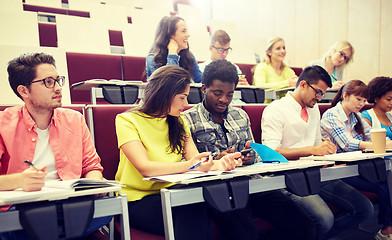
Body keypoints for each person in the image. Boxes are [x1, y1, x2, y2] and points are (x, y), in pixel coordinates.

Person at [184, 59, 316, 240]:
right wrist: (217, 161)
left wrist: (250, 157)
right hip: (219, 191)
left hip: (253, 184)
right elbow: (187, 164)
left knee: (305, 227)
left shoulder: (240, 114)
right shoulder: (187, 119)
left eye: (229, 94)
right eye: (217, 93)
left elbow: (256, 153)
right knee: (247, 234)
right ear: (204, 89)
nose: (224, 100)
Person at [115, 65, 245, 240]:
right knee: (192, 209)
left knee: (227, 205)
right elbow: (145, 168)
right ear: (164, 94)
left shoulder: (179, 120)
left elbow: (197, 161)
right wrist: (190, 166)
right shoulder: (126, 120)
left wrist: (221, 163)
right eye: (182, 97)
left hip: (176, 192)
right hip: (139, 199)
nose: (186, 104)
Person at [0, 52, 112, 239]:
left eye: (58, 80)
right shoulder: (3, 124)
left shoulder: (75, 119)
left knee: (105, 211)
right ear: (24, 91)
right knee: (26, 223)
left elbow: (92, 166)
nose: (59, 88)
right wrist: (19, 180)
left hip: (71, 204)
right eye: (48, 82)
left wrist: (95, 184)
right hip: (24, 207)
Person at [261, 66, 373, 239]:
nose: (320, 98)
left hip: (316, 173)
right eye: (318, 93)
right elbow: (270, 153)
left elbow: (316, 144)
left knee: (364, 208)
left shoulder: (313, 109)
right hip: (288, 178)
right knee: (324, 219)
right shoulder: (276, 109)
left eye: (323, 94)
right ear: (303, 84)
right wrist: (312, 150)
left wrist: (325, 151)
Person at [320, 79, 392, 240]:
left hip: (355, 167)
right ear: (345, 96)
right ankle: (386, 228)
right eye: (358, 99)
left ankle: (387, 227)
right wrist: (378, 144)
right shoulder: (332, 114)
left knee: (386, 181)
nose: (362, 104)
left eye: (365, 101)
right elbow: (347, 144)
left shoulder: (356, 116)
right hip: (335, 170)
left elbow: (373, 134)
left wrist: (384, 142)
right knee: (384, 184)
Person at [145, 16, 202, 83]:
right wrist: (172, 54)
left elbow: (200, 81)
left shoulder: (188, 56)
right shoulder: (152, 58)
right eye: (183, 31)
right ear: (171, 35)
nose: (188, 35)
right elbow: (170, 84)